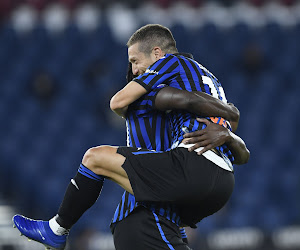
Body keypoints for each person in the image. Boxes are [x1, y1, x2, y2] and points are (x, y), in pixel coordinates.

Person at [12, 24, 250, 250]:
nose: (135, 70)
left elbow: (117, 102)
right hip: (223, 179)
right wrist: (230, 123)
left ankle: (57, 228)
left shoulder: (171, 63)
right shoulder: (210, 80)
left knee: (95, 157)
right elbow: (237, 137)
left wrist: (134, 89)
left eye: (135, 61)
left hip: (192, 167)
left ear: (157, 54)